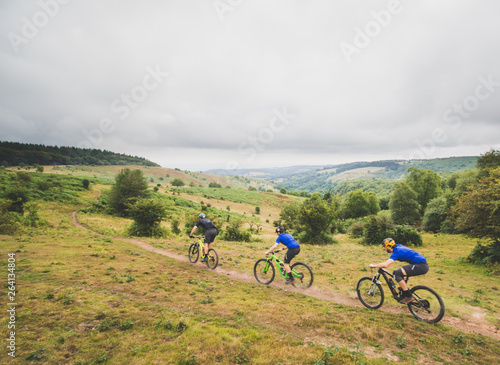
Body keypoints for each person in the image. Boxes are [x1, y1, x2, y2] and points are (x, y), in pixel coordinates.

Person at [369, 238, 429, 304]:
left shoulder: (397, 252)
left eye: (384, 246)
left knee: (397, 273)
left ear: (389, 246)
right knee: (400, 274)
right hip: (420, 264)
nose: (384, 249)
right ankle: (404, 292)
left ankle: (408, 296)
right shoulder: (398, 246)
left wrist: (374, 266)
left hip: (420, 266)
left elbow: (386, 265)